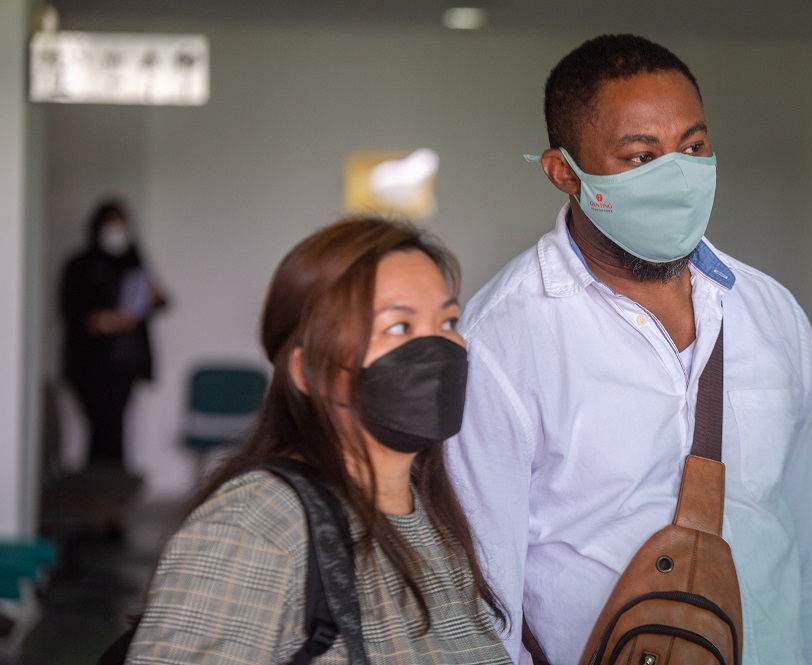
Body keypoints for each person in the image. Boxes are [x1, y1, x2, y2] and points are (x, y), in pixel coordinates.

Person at [447, 34, 812, 665]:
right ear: (563, 172)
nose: (679, 175)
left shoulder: (772, 315)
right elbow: (482, 598)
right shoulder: (503, 338)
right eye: (641, 156)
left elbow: (808, 541)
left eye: (693, 146)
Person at [126, 217, 511, 664]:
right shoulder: (256, 526)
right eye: (399, 328)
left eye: (448, 320)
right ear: (307, 371)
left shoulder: (432, 514)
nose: (440, 348)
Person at [60, 198, 168, 469]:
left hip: (124, 363)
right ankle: (98, 496)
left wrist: (153, 297)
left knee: (116, 429)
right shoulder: (80, 264)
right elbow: (71, 310)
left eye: (123, 224)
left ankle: (110, 498)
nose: (118, 230)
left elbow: (158, 302)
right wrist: (108, 321)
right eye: (113, 224)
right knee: (101, 428)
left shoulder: (134, 263)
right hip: (90, 363)